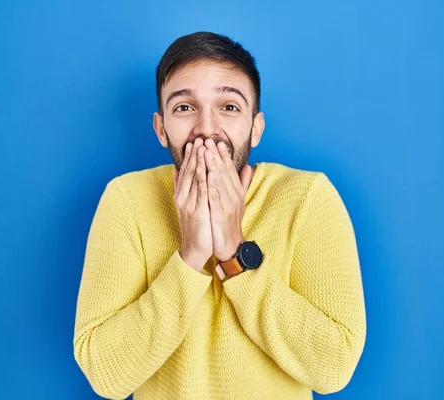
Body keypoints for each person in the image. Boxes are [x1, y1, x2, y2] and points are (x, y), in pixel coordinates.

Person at [73, 31, 366, 400]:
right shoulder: (127, 200)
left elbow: (334, 367)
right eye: (184, 107)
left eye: (229, 107)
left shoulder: (307, 197)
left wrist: (233, 252)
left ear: (255, 127)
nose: (207, 129)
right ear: (161, 128)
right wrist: (192, 254)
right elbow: (105, 375)